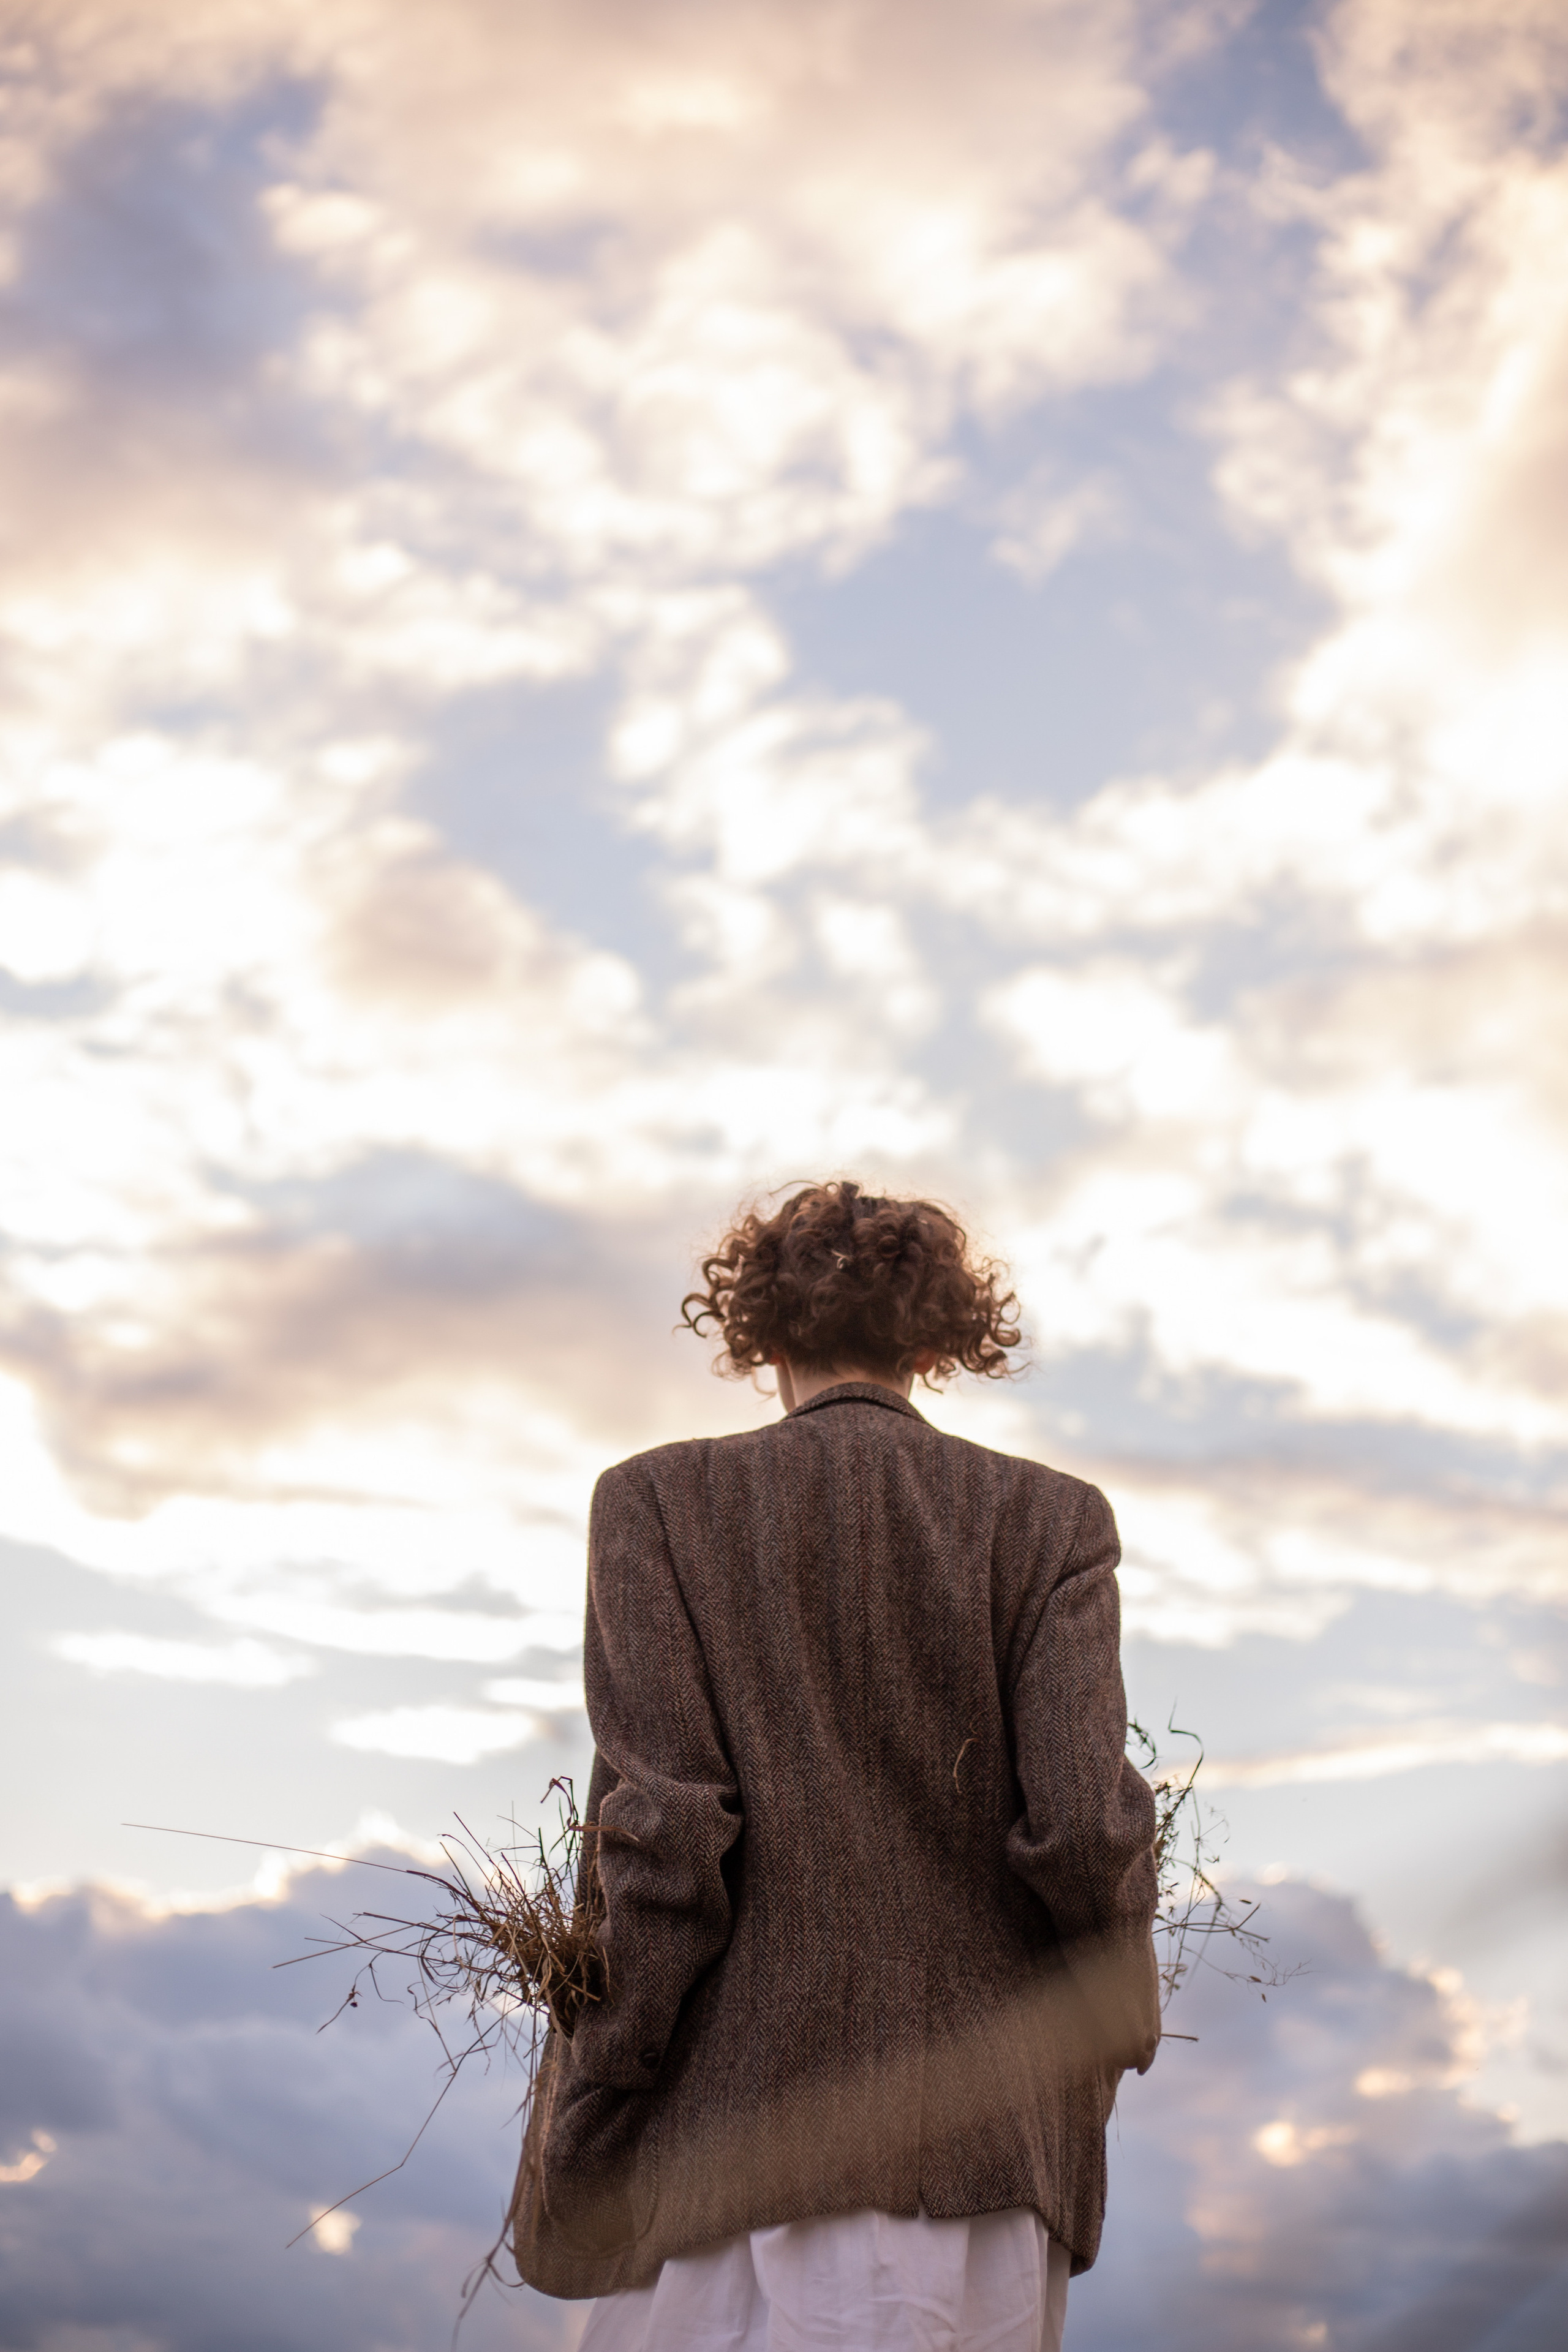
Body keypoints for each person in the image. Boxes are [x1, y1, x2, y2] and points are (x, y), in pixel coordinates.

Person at [511, 1180, 1160, 2351]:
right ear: (938, 1339)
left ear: (760, 1336)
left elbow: (662, 1826)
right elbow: (1083, 1829)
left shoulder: (654, 1502)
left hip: (731, 2147)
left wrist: (610, 2057)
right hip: (987, 2148)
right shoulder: (1054, 1519)